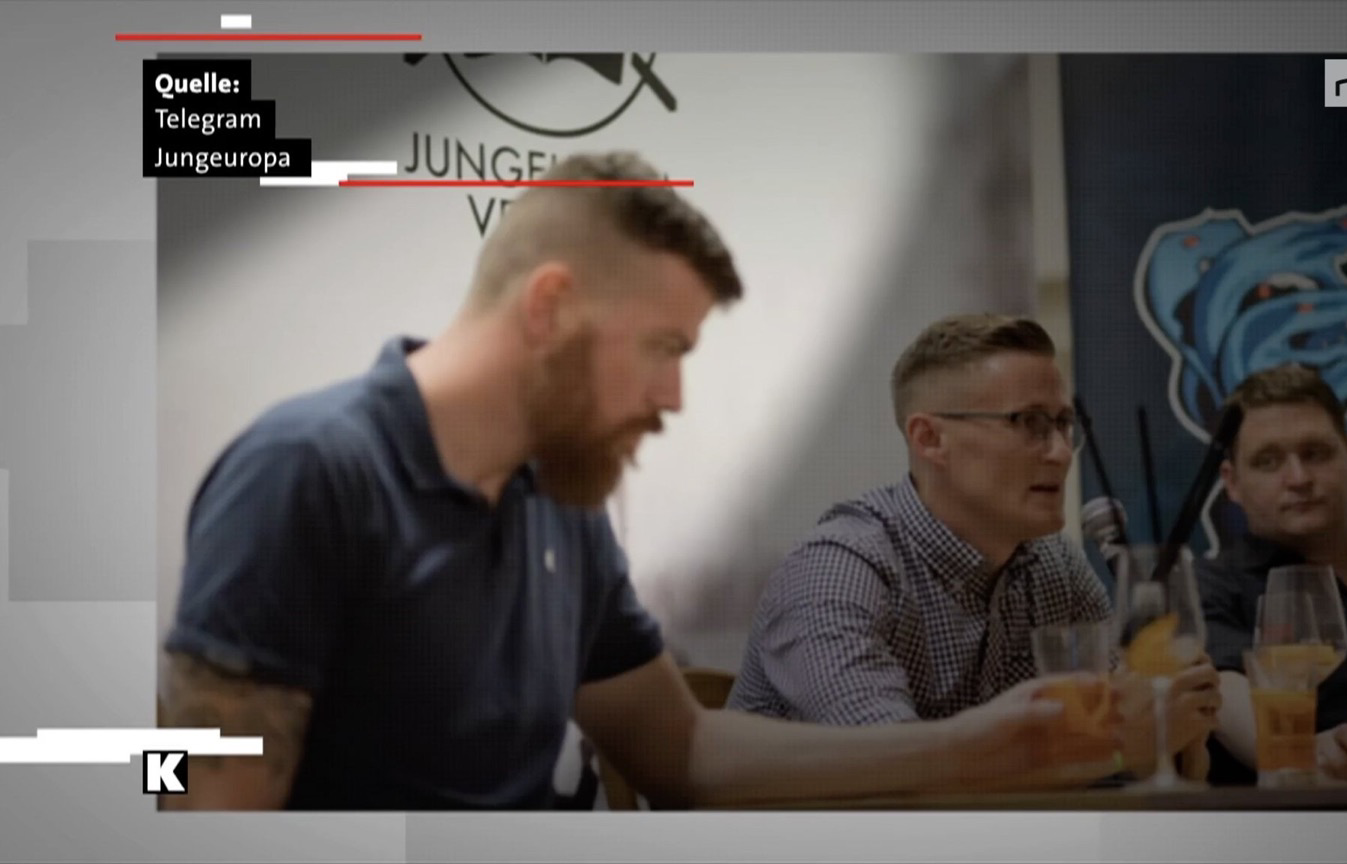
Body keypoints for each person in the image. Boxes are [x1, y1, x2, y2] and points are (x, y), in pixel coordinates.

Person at [159, 152, 1109, 811]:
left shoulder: (561, 502)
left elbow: (683, 749)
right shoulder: (307, 471)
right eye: (662, 349)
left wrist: (984, 742)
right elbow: (215, 809)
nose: (674, 397)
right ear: (551, 307)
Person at [727, 314, 1220, 778]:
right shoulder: (837, 570)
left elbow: (1138, 756)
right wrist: (1117, 744)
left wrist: (1175, 727)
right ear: (930, 439)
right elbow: (898, 776)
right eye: (1029, 423)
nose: (1061, 453)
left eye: (1063, 424)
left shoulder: (1055, 564)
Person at [1198, 364, 1347, 785]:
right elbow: (1219, 689)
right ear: (1232, 482)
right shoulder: (1209, 586)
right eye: (1268, 461)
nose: (1298, 479)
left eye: (1315, 453)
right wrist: (1298, 754)